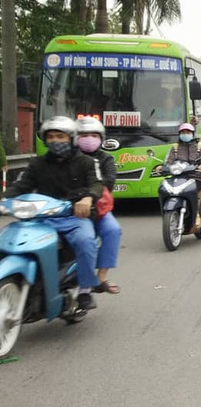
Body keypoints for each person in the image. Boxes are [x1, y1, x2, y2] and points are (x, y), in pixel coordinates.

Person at [4, 117, 103, 309]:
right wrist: (5, 200)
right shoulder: (36, 164)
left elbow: (97, 183)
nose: (55, 141)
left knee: (85, 241)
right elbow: (20, 186)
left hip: (74, 217)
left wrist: (88, 198)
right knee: (9, 238)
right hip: (40, 218)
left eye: (60, 136)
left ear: (72, 138)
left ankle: (85, 290)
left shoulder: (87, 162)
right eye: (50, 137)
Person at [75, 117, 122, 295]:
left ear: (101, 138)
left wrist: (88, 195)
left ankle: (101, 276)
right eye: (84, 135)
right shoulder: (70, 158)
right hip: (69, 207)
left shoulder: (105, 159)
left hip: (98, 207)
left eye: (93, 135)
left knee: (113, 230)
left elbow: (108, 182)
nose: (88, 139)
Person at [166, 122, 201, 215]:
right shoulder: (175, 147)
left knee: (193, 191)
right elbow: (168, 161)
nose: (185, 134)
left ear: (193, 134)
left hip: (196, 177)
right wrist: (162, 167)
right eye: (183, 132)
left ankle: (196, 214)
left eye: (188, 132)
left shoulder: (200, 146)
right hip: (179, 177)